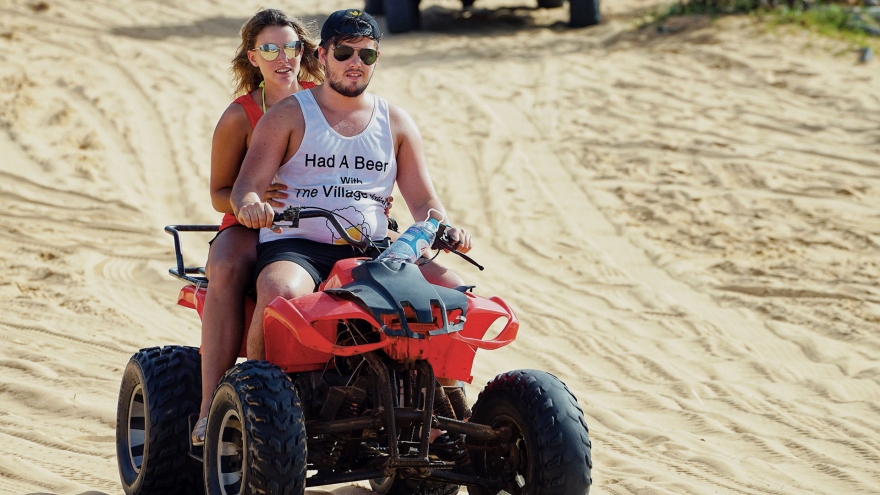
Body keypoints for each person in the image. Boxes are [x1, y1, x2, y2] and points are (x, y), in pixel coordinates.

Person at [231, 8, 472, 362]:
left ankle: (449, 402)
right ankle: (254, 396)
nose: (355, 62)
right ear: (323, 55)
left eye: (367, 54)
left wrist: (446, 227)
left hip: (377, 251)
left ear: (377, 59)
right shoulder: (287, 115)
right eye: (344, 52)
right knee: (279, 291)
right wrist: (251, 204)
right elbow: (245, 187)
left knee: (455, 296)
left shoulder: (397, 122)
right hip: (299, 248)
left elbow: (424, 199)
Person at [191, 8, 323, 446]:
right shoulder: (240, 115)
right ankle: (212, 405)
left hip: (316, 220)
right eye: (269, 48)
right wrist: (252, 201)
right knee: (226, 268)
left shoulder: (324, 99)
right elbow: (217, 192)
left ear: (303, 50)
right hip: (250, 224)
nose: (282, 57)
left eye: (290, 46)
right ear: (253, 56)